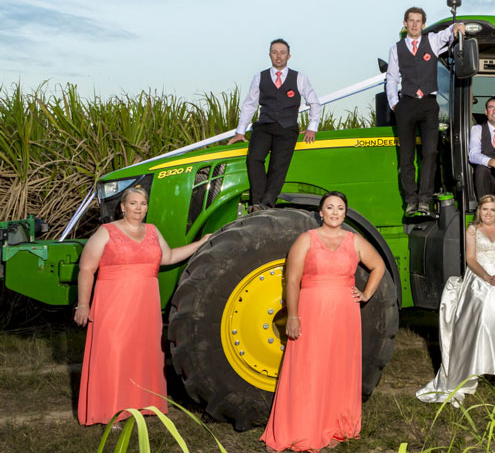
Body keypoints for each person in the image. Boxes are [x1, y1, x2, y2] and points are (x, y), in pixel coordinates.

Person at [261, 191, 385, 452]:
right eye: (330, 207)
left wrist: (365, 294)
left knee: (339, 367)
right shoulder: (306, 240)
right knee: (307, 367)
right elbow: (292, 281)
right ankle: (301, 427)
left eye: (340, 208)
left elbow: (378, 266)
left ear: (345, 212)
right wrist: (292, 316)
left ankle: (336, 424)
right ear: (321, 212)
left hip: (345, 314)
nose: (335, 212)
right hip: (310, 312)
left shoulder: (354, 241)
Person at [74, 187, 209, 426]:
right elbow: (87, 269)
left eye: (143, 203)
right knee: (113, 354)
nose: (139, 208)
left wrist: (200, 244)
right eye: (133, 203)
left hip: (145, 306)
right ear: (123, 207)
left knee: (141, 354)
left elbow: (167, 257)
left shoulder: (153, 231)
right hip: (113, 304)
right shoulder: (106, 232)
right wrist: (82, 305)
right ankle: (110, 411)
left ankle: (142, 406)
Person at [416, 194, 495, 406]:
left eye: (492, 210)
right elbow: (471, 259)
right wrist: (486, 277)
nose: (488, 214)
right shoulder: (472, 231)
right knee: (484, 305)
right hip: (479, 275)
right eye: (485, 210)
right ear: (479, 211)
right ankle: (476, 362)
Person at [386, 7, 466, 216]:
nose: (414, 24)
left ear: (423, 24)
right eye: (411, 21)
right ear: (405, 24)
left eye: (418, 21)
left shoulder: (431, 40)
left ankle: (424, 200)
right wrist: (395, 103)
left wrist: (457, 26)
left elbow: (448, 34)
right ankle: (411, 200)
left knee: (430, 152)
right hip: (407, 104)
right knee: (406, 155)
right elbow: (392, 79)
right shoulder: (396, 49)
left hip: (429, 104)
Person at [228, 38, 322, 211]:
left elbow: (314, 102)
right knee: (254, 158)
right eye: (275, 52)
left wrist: (312, 126)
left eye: (282, 52)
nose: (279, 56)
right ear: (270, 55)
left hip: (287, 128)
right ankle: (257, 202)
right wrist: (240, 131)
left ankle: (267, 204)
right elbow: (250, 104)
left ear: (289, 56)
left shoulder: (299, 78)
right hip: (264, 125)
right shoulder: (260, 77)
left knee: (278, 165)